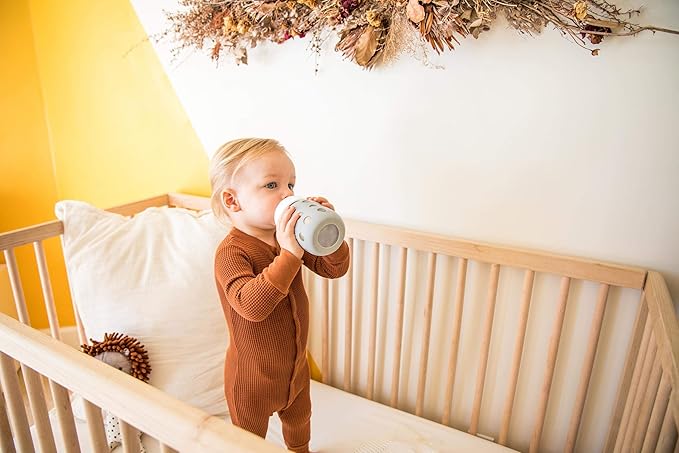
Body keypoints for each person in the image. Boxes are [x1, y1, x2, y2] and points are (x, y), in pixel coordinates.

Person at [209, 138, 350, 453]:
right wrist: (288, 255)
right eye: (272, 185)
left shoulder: (290, 238)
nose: (288, 194)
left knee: (299, 422)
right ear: (232, 200)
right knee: (247, 441)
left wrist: (329, 236)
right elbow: (251, 306)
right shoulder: (231, 253)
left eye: (291, 184)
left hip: (295, 369)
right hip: (252, 379)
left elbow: (334, 269)